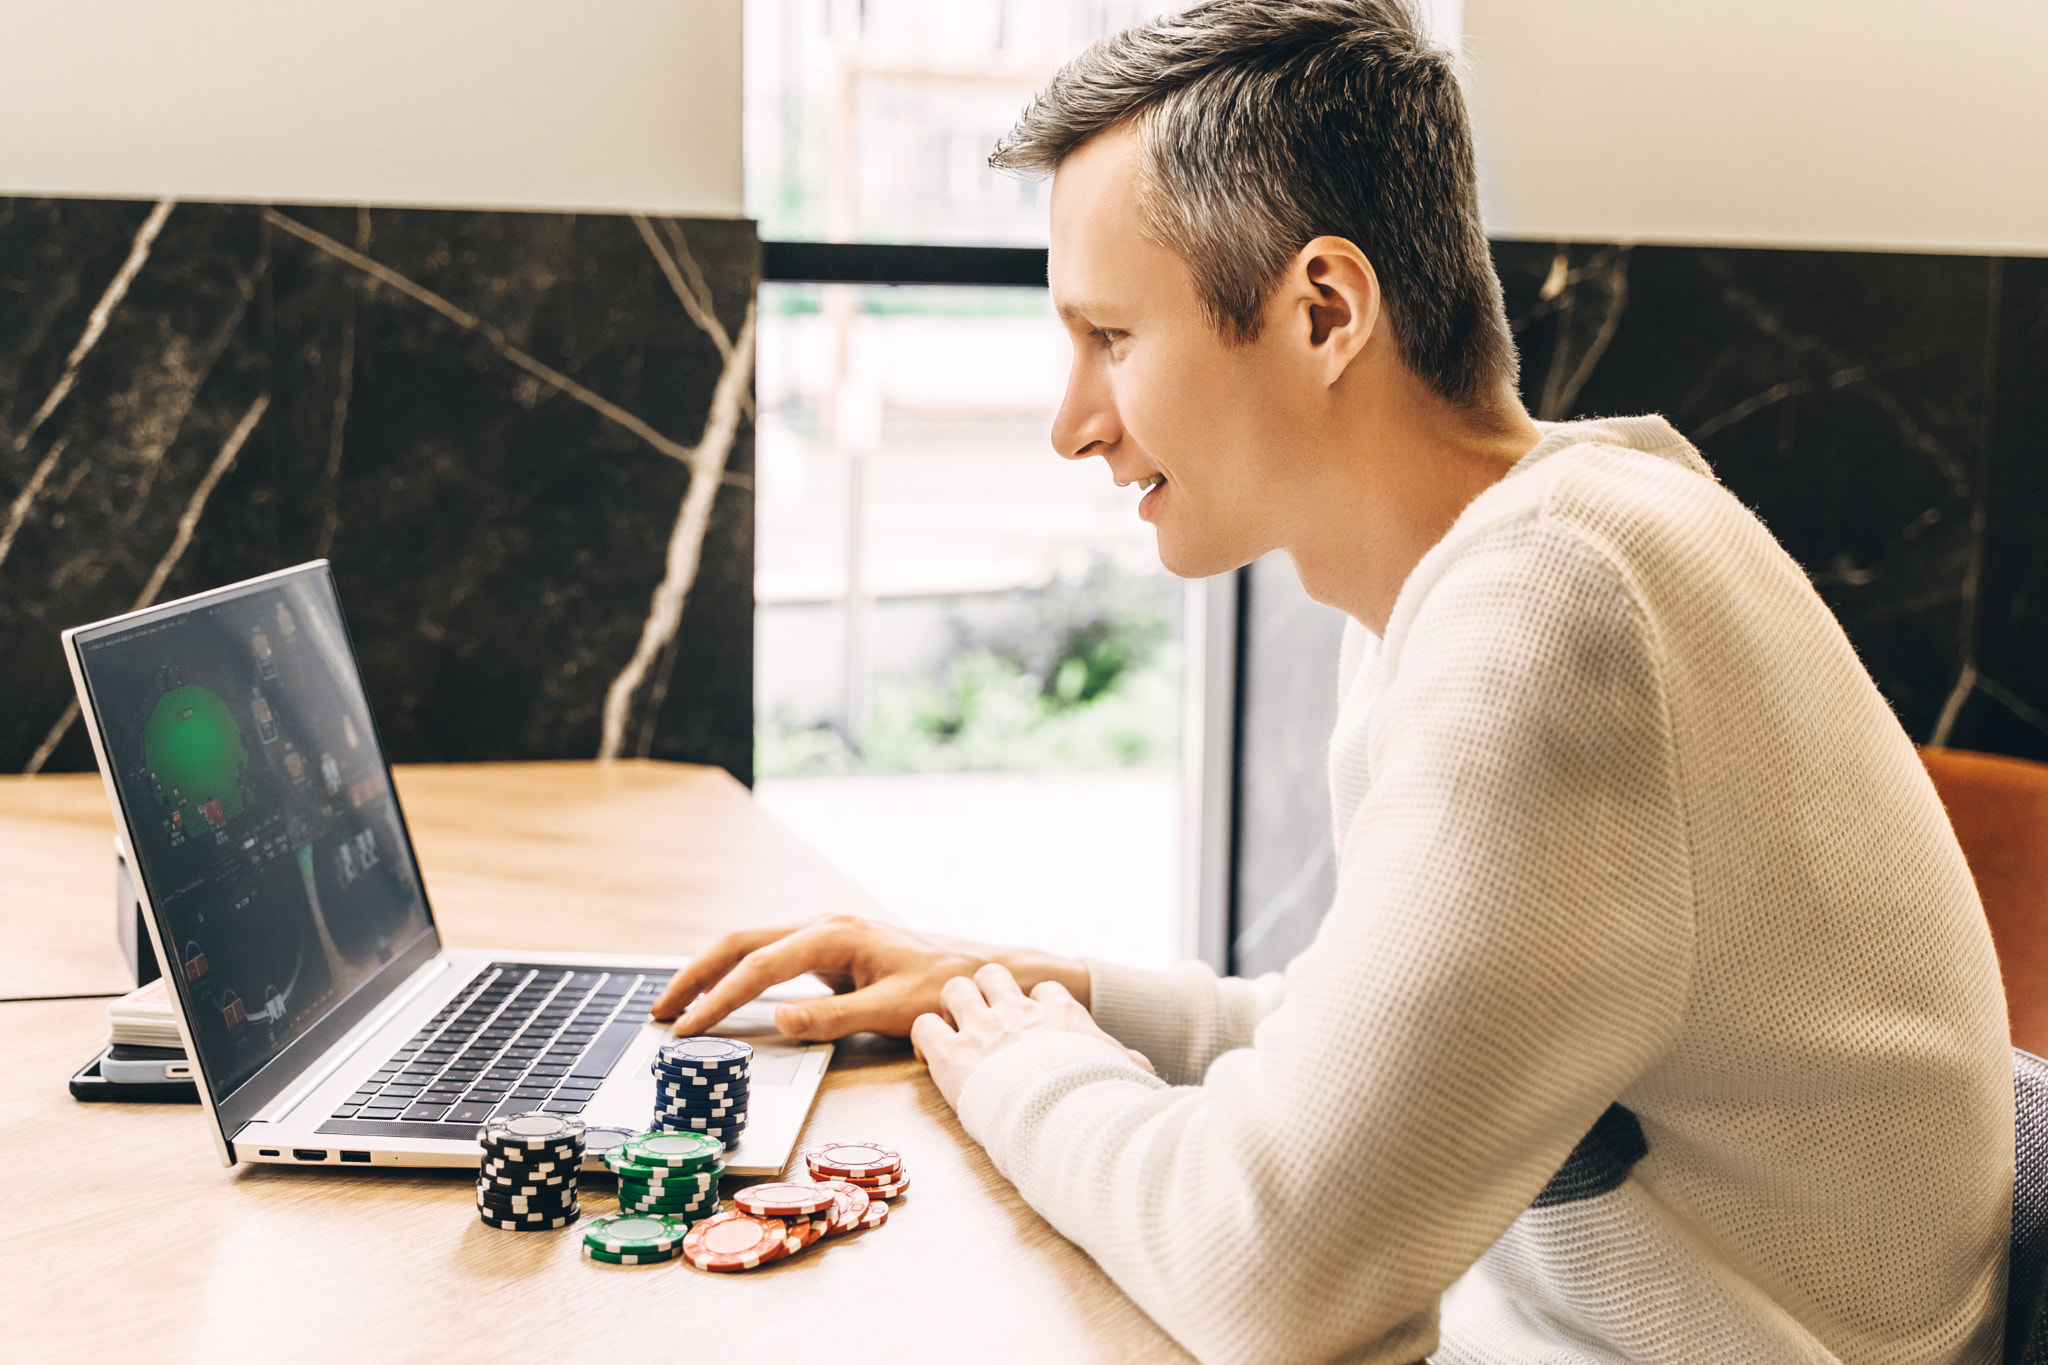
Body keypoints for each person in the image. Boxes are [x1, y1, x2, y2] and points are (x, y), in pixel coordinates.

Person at [654, 2, 2014, 1360]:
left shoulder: (1554, 615)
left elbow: (1266, 1276)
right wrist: (1028, 986)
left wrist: (1014, 1060)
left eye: (1111, 339)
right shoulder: (1514, 556)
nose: (1074, 424)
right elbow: (1376, 1049)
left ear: (1323, 311)